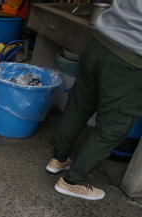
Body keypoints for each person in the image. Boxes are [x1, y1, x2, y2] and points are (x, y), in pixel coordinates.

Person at [45, 0, 142, 200]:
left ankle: (59, 158)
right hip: (130, 59)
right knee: (113, 127)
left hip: (100, 42)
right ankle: (73, 181)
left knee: (79, 105)